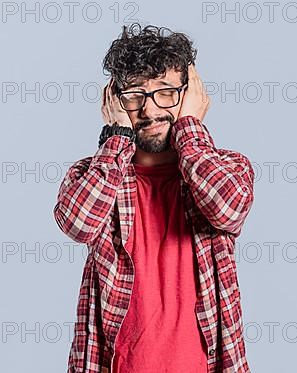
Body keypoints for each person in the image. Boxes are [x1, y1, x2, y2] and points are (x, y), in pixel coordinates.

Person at [53, 23, 255, 372]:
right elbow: (78, 224)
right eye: (134, 95)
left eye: (165, 92)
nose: (150, 110)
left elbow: (228, 207)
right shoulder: (95, 173)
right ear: (114, 101)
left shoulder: (228, 167)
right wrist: (116, 137)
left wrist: (190, 128)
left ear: (190, 95)